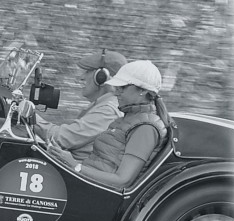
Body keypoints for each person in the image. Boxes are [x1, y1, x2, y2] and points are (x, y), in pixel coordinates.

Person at [48, 60, 170, 189]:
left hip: (96, 192)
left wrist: (74, 165)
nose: (116, 92)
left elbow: (122, 181)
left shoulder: (145, 128)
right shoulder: (127, 119)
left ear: (143, 91)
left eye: (122, 87)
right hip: (87, 183)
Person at [34, 49, 127, 161]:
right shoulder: (102, 105)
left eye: (87, 72)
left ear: (101, 77)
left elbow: (61, 139)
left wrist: (30, 116)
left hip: (78, 171)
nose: (81, 77)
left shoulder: (108, 110)